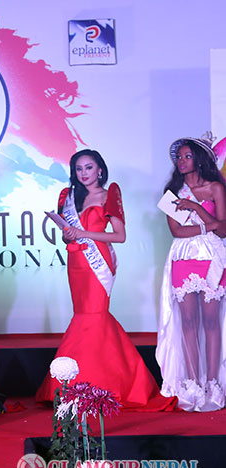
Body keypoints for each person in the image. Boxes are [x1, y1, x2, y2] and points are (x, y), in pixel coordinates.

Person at [36, 149, 176, 411]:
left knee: (95, 314)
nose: (84, 173)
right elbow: (67, 234)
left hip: (98, 262)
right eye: (78, 169)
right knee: (82, 314)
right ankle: (81, 383)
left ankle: (97, 384)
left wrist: (84, 233)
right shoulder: (68, 196)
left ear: (100, 169)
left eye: (89, 167)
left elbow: (119, 236)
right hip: (76, 261)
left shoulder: (108, 194)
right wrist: (69, 235)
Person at [157, 136, 226, 411]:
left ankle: (213, 384)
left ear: (199, 159)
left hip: (212, 259)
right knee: (188, 321)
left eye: (187, 156)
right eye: (179, 157)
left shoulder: (216, 188)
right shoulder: (173, 192)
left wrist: (197, 208)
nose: (181, 161)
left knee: (211, 321)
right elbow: (177, 231)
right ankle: (192, 384)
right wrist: (208, 226)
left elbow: (224, 229)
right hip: (184, 257)